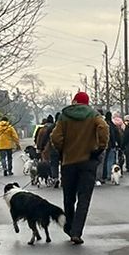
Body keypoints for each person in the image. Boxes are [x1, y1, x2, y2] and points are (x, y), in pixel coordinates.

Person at [46, 90, 110, 244]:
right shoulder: (94, 115)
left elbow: (55, 137)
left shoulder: (64, 116)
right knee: (84, 199)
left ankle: (69, 227)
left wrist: (62, 150)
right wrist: (100, 148)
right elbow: (103, 128)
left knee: (69, 198)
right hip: (88, 162)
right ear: (87, 102)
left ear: (74, 101)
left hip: (68, 162)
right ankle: (76, 232)